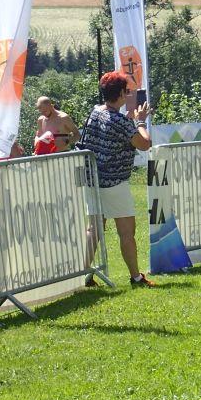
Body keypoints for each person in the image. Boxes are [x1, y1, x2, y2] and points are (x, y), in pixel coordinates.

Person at [80, 71, 156, 288]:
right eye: (127, 91)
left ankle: (83, 276)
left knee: (94, 229)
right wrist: (140, 122)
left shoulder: (95, 112)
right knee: (126, 232)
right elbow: (144, 143)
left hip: (92, 180)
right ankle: (136, 277)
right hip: (114, 182)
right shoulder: (121, 121)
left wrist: (131, 122)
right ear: (121, 94)